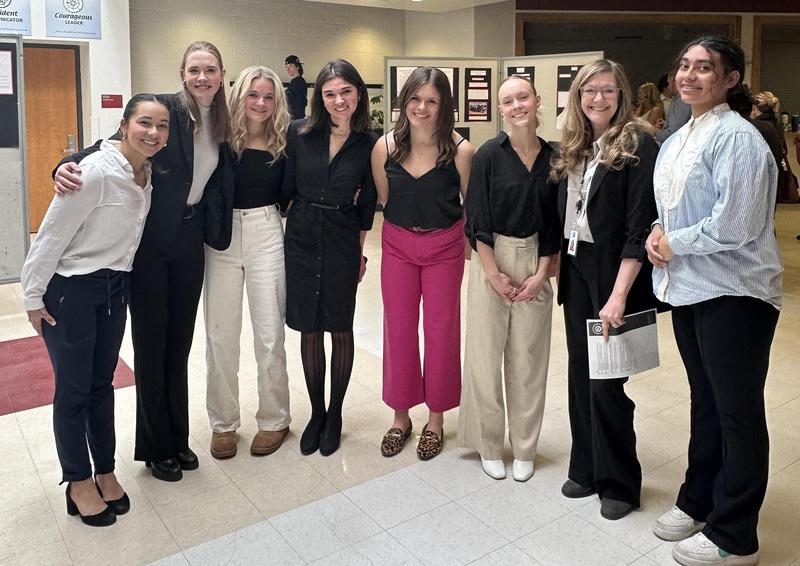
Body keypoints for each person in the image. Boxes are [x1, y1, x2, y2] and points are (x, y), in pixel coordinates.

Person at [53, 41, 234, 482]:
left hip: (190, 241)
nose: (202, 78)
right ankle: (156, 448)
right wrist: (64, 165)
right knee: (152, 348)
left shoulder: (222, 121)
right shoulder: (165, 111)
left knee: (179, 346)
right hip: (151, 245)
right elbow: (109, 146)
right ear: (182, 73)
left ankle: (177, 437)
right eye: (194, 69)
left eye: (210, 70)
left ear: (222, 73)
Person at [647, 36, 782, 566]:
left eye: (705, 68)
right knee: (705, 402)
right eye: (684, 65)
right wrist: (659, 230)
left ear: (729, 79)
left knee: (737, 411)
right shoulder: (681, 135)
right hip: (691, 288)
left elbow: (737, 223)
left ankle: (736, 534)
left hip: (737, 292)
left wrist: (673, 241)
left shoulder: (739, 137)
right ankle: (699, 499)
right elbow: (673, 207)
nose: (690, 75)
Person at [22, 94, 170, 525]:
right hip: (71, 290)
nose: (154, 133)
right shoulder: (96, 172)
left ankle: (104, 469)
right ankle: (77, 481)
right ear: (123, 125)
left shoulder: (145, 173)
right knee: (73, 391)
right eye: (145, 123)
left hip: (114, 288)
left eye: (162, 126)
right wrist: (33, 297)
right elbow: (50, 235)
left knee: (102, 385)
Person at [551, 59, 660, 521]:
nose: (598, 98)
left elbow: (638, 226)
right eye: (589, 90)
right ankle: (588, 467)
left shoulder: (637, 143)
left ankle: (619, 482)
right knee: (581, 373)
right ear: (577, 95)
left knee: (608, 379)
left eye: (608, 91)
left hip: (614, 272)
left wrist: (617, 295)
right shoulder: (576, 144)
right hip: (578, 269)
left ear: (623, 95)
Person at [457, 75, 559, 481]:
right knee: (485, 357)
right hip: (491, 257)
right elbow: (476, 220)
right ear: (500, 109)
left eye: (523, 97)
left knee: (528, 361)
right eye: (508, 100)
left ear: (537, 101)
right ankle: (488, 443)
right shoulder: (488, 156)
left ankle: (525, 447)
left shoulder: (555, 157)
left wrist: (540, 275)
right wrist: (492, 274)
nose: (517, 105)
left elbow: (556, 224)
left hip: (537, 258)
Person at [371, 67, 474, 461]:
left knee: (441, 329)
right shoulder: (385, 147)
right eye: (415, 98)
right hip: (397, 243)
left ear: (444, 104)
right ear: (404, 101)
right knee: (397, 328)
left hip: (444, 246)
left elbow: (471, 207)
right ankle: (401, 417)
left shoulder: (462, 151)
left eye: (432, 100)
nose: (422, 107)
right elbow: (386, 198)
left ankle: (436, 419)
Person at [282, 59, 377, 457]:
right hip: (302, 234)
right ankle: (316, 413)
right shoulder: (300, 133)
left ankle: (335, 413)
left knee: (340, 325)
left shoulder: (372, 142)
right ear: (320, 97)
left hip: (342, 236)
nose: (339, 101)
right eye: (330, 93)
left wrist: (358, 251)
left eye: (346, 92)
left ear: (359, 94)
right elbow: (285, 187)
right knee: (309, 327)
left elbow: (367, 203)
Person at [204, 66, 292, 460]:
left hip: (266, 231)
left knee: (270, 334)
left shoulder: (286, 141)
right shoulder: (216, 135)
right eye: (253, 94)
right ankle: (223, 423)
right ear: (239, 96)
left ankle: (274, 418)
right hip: (221, 237)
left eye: (269, 97)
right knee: (220, 335)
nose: (260, 103)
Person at [656, 70, 692, 144]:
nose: (668, 87)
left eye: (669, 83)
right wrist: (666, 124)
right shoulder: (678, 100)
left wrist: (654, 131)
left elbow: (673, 133)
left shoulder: (681, 101)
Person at [285, 55, 307, 120]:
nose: (288, 69)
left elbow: (299, 104)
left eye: (291, 66)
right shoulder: (294, 82)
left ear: (297, 67)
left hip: (296, 119)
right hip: (293, 118)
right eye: (286, 67)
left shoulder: (299, 82)